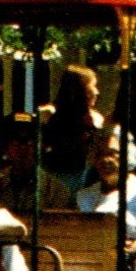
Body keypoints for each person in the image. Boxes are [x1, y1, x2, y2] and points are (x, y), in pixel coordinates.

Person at [40, 65, 103, 196]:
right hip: (54, 177)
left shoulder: (96, 119)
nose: (97, 92)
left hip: (83, 178)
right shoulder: (49, 114)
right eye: (93, 86)